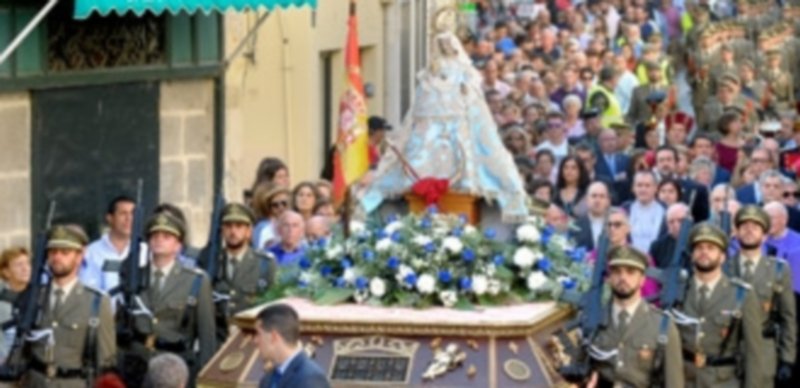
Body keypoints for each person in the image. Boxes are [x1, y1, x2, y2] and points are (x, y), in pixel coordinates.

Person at [360, 28, 528, 223]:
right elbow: (416, 119)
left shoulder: (462, 76)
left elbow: (477, 115)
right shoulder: (429, 77)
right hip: (427, 144)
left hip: (458, 142)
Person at [23, 225, 116, 387]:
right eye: (53, 252)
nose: (57, 257)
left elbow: (105, 359)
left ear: (79, 257)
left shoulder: (97, 301)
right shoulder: (34, 297)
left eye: (65, 253)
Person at [125, 213, 216, 378]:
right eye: (154, 236)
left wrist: (204, 375)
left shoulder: (195, 280)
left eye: (166, 237)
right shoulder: (134, 276)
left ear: (178, 245)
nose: (159, 240)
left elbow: (206, 334)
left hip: (176, 364)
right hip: (138, 364)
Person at [675, 222, 763, 388]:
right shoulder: (680, 292)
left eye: (711, 248)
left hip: (723, 382)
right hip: (684, 379)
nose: (704, 252)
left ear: (722, 256)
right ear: (692, 255)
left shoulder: (741, 295)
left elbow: (753, 354)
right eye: (699, 247)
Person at [583, 245, 683, 387]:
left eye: (630, 272)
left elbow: (674, 384)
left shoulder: (662, 325)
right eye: (617, 272)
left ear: (642, 279)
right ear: (610, 277)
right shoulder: (593, 320)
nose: (623, 278)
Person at [726, 206, 796, 387]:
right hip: (729, 350)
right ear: (736, 233)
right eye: (744, 226)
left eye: (755, 227)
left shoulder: (778, 270)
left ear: (765, 236)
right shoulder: (724, 268)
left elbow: (788, 317)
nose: (749, 230)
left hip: (764, 350)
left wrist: (787, 358)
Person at [202, 203, 278, 346]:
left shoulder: (265, 264)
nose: (233, 231)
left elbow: (271, 309)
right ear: (222, 230)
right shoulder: (210, 262)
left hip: (252, 340)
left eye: (239, 226)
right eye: (228, 226)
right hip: (217, 341)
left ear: (249, 231)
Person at [254, 304, 330, 388]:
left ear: (273, 337)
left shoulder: (311, 378)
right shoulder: (267, 380)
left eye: (259, 334)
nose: (255, 340)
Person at [81, 195, 138, 292]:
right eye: (123, 213)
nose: (129, 218)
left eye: (133, 213)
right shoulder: (91, 252)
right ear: (110, 218)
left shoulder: (145, 251)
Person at [0, 247, 30, 362]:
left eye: (27, 264)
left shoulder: (38, 296)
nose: (25, 269)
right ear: (6, 272)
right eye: (18, 265)